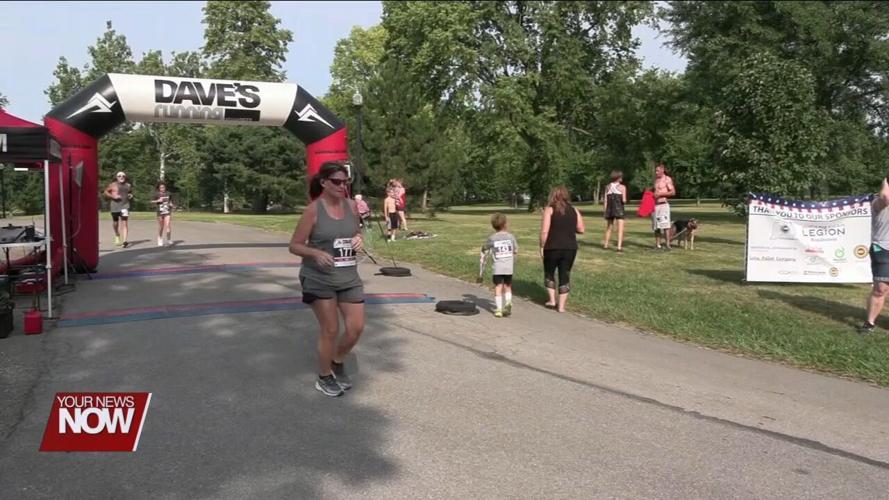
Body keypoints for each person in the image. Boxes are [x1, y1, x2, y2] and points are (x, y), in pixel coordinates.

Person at [289, 162, 365, 397]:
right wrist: (316, 253)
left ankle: (337, 361)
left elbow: (353, 232)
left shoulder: (352, 207)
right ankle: (324, 376)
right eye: (336, 181)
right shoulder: (313, 210)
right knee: (330, 329)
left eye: (345, 182)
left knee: (355, 328)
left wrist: (358, 239)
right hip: (318, 277)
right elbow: (295, 246)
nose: (342, 186)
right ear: (324, 182)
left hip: (349, 276)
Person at [540, 186, 585, 313]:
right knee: (565, 274)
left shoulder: (549, 210)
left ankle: (552, 300)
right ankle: (561, 307)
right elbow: (581, 229)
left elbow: (544, 231)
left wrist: (542, 246)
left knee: (549, 273)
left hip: (552, 246)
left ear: (552, 196)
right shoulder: (574, 210)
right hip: (570, 247)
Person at [859, 177, 889, 334]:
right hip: (883, 248)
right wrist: (885, 183)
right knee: (881, 289)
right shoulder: (878, 202)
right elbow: (885, 197)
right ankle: (869, 323)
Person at [478, 213, 518, 318]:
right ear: (505, 224)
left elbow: (485, 247)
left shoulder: (492, 238)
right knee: (508, 286)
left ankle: (499, 309)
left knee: (498, 286)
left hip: (498, 267)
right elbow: (515, 250)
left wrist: (483, 249)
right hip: (509, 266)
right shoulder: (511, 237)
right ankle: (508, 302)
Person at [103, 171, 133, 248]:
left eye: (123, 175)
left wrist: (130, 195)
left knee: (125, 222)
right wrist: (113, 197)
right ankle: (117, 234)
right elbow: (105, 192)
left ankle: (124, 241)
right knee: (115, 222)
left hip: (125, 205)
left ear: (125, 177)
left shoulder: (128, 185)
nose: (121, 177)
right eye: (119, 176)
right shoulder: (113, 185)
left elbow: (130, 193)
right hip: (115, 206)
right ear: (117, 177)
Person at [652, 163, 676, 250]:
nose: (656, 172)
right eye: (655, 170)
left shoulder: (667, 179)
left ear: (662, 170)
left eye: (657, 170)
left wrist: (661, 194)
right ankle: (657, 245)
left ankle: (667, 245)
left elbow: (673, 192)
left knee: (665, 225)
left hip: (663, 205)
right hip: (655, 206)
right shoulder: (656, 180)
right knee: (656, 226)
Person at [603, 170, 627, 252]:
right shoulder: (622, 187)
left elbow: (605, 200)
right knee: (620, 229)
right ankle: (619, 247)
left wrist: (605, 210)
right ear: (618, 178)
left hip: (610, 209)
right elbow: (624, 200)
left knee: (609, 227)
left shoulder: (607, 187)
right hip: (619, 208)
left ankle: (606, 245)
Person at [152, 181, 174, 247]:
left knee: (168, 225)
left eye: (163, 187)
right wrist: (158, 201)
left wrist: (171, 204)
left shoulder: (168, 193)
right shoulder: (156, 194)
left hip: (167, 211)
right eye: (161, 187)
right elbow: (151, 201)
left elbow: (170, 201)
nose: (162, 189)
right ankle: (160, 238)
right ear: (159, 188)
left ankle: (169, 239)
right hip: (160, 212)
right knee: (161, 227)